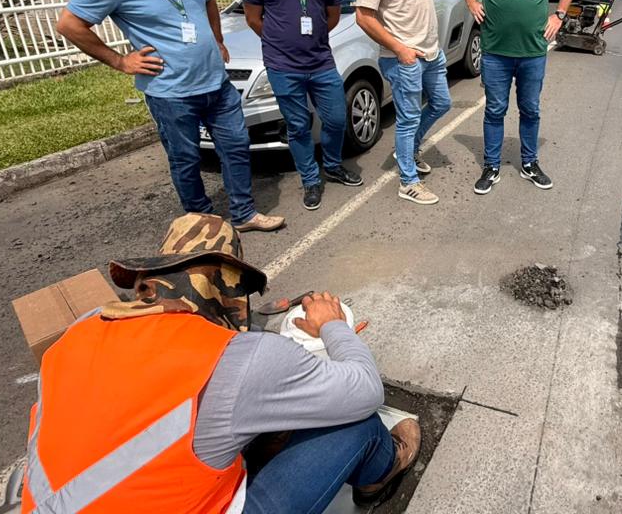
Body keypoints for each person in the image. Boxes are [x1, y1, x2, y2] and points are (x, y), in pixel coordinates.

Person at [21, 212, 421, 514]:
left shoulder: (79, 332)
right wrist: (335, 327)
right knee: (358, 424)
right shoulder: (235, 358)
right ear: (227, 291)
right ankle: (380, 477)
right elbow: (366, 389)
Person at [57, 0, 283, 233]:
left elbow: (208, 1)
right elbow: (70, 24)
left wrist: (217, 40)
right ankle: (203, 226)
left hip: (216, 83)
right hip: (171, 92)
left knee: (236, 147)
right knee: (186, 160)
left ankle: (244, 213)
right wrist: (120, 61)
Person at [453, 0, 579, 195]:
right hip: (495, 49)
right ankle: (491, 166)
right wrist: (471, 1)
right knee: (494, 110)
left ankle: (529, 163)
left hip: (533, 50)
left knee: (530, 109)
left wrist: (559, 15)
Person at [243, 0, 363, 212]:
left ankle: (333, 165)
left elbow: (333, 14)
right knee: (297, 126)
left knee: (336, 117)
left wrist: (312, 38)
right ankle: (311, 179)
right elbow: (253, 18)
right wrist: (279, 42)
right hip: (283, 67)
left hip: (321, 61)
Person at [355, 0, 451, 205]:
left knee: (442, 103)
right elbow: (364, 17)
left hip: (430, 52)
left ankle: (406, 150)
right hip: (404, 58)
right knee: (408, 119)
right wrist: (400, 50)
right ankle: (408, 181)